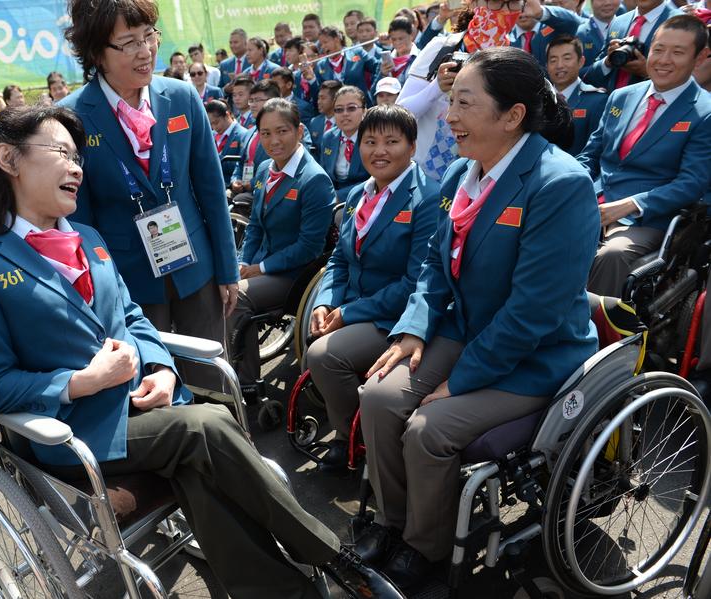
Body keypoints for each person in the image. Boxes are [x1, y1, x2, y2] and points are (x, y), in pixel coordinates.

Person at [0, 104, 403, 599]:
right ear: (9, 158)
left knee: (199, 467)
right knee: (208, 424)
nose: (77, 167)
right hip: (72, 434)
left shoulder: (88, 238)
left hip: (143, 412)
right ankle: (337, 560)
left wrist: (158, 366)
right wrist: (83, 381)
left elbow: (132, 318)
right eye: (61, 153)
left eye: (78, 156)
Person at [353, 47, 597, 594]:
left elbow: (533, 312)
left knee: (428, 429)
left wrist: (458, 382)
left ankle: (427, 548)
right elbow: (433, 270)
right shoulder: (463, 173)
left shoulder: (559, 185)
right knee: (379, 396)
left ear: (512, 115)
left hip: (535, 356)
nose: (450, 115)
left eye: (464, 102)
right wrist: (414, 327)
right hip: (464, 331)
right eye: (450, 98)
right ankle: (392, 524)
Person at [59, 0, 239, 395]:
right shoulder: (70, 117)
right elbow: (78, 221)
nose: (145, 51)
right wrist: (98, 295)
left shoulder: (181, 97)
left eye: (149, 36)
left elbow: (210, 189)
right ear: (96, 54)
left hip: (197, 268)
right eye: (128, 43)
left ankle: (227, 449)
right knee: (153, 389)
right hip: (129, 280)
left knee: (212, 377)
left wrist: (228, 269)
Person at [306, 104, 441, 472]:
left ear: (413, 147)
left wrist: (349, 312)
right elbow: (338, 260)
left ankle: (355, 436)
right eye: (370, 141)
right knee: (312, 339)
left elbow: (416, 282)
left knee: (324, 355)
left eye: (391, 141)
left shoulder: (427, 199)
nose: (379, 151)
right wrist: (325, 301)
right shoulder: (357, 196)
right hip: (350, 305)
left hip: (392, 317)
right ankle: (352, 430)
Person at [579, 15, 710, 296]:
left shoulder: (705, 112)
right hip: (593, 201)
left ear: (700, 58)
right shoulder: (621, 97)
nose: (664, 60)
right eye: (658, 49)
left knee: (612, 255)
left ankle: (596, 334)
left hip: (648, 218)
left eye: (678, 52)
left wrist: (629, 205)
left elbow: (691, 183)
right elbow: (590, 155)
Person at [227, 99, 334, 390]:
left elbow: (309, 248)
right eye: (265, 133)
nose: (274, 141)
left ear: (299, 131)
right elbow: (256, 226)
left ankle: (246, 382)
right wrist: (243, 262)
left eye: (282, 131)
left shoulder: (315, 180)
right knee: (222, 285)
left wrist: (260, 268)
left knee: (236, 298)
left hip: (294, 274)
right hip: (263, 263)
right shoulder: (264, 169)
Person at [583, 0, 681, 91]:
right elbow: (591, 75)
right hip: (613, 104)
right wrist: (608, 62)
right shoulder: (618, 22)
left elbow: (688, 80)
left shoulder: (681, 23)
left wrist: (646, 72)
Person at [546, 35, 608, 155]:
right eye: (553, 60)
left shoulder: (596, 101)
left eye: (567, 58)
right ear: (547, 66)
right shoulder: (538, 100)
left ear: (581, 62)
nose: (559, 65)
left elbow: (595, 150)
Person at [319, 86, 370, 201]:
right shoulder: (329, 137)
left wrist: (340, 196)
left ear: (364, 110)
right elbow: (324, 175)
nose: (345, 114)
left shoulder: (373, 138)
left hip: (365, 198)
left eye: (351, 108)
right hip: (331, 198)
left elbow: (376, 179)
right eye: (339, 110)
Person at [309, 26, 379, 103]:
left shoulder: (357, 53)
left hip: (361, 105)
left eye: (325, 42)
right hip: (336, 110)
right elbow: (318, 94)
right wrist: (311, 79)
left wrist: (373, 90)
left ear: (336, 40)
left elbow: (378, 68)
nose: (322, 47)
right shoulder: (320, 65)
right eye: (321, 44)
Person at [205, 99, 248, 181]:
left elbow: (242, 165)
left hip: (229, 184)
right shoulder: (211, 135)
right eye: (211, 124)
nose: (214, 127)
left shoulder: (243, 135)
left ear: (227, 115)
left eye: (216, 122)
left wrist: (214, 158)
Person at [575, 0, 622, 72]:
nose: (607, 3)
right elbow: (576, 73)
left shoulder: (629, 26)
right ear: (591, 2)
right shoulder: (581, 33)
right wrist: (604, 65)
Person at [378, 16, 419, 87]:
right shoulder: (385, 60)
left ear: (411, 35)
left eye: (401, 38)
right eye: (394, 39)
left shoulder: (420, 57)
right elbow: (374, 92)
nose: (397, 42)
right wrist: (383, 74)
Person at [308, 80, 342, 156]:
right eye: (318, 98)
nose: (319, 102)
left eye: (323, 98)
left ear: (335, 100)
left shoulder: (344, 123)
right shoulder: (315, 122)